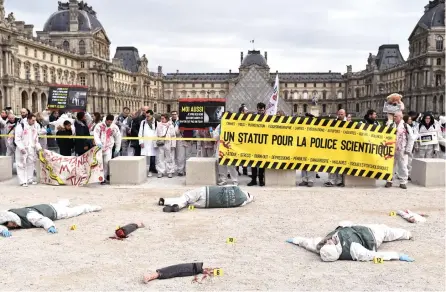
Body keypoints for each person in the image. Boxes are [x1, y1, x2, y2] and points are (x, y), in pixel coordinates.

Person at [286, 221, 414, 262]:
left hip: (352, 228)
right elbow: (375, 256)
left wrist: (296, 240)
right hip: (371, 236)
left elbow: (309, 243)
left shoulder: (321, 247)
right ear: (335, 250)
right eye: (330, 243)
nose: (328, 241)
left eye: (327, 243)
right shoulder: (354, 251)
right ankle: (407, 234)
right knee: (386, 231)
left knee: (344, 222)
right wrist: (398, 256)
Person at [0, 199, 102, 237]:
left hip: (55, 212)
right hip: (45, 206)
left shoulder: (29, 216)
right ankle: (65, 201)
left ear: (13, 220)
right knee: (61, 204)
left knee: (73, 211)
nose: (12, 226)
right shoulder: (9, 215)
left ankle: (90, 207)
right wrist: (2, 230)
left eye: (11, 224)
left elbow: (43, 220)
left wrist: (50, 227)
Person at [158, 185, 254, 212]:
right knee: (187, 202)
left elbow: (224, 186)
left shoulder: (236, 188)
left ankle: (176, 205)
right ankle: (166, 201)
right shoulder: (241, 203)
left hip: (207, 191)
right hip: (208, 204)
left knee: (187, 196)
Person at [385, 111, 414, 189]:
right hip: (391, 149)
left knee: (403, 165)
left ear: (401, 117)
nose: (394, 118)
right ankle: (389, 180)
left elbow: (411, 138)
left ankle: (403, 181)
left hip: (402, 149)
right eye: (394, 116)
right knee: (390, 165)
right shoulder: (390, 125)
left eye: (396, 116)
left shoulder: (406, 126)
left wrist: (408, 149)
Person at [14, 114, 42, 187]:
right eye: (32, 120)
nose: (34, 121)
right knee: (21, 164)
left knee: (31, 163)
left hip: (31, 148)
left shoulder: (35, 127)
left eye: (34, 120)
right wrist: (21, 148)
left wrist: (39, 148)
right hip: (22, 148)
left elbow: (36, 139)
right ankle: (22, 181)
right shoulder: (21, 126)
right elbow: (17, 138)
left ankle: (30, 179)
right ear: (28, 119)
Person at [93, 114, 121, 185]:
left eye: (111, 122)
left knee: (106, 162)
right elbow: (96, 135)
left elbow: (118, 138)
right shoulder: (99, 126)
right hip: (99, 148)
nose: (109, 123)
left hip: (108, 147)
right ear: (106, 120)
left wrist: (117, 148)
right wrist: (98, 143)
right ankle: (98, 177)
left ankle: (104, 178)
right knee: (99, 163)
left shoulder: (114, 127)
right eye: (108, 122)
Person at [325, 109, 347, 187]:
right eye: (339, 114)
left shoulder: (348, 123)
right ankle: (331, 180)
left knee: (341, 164)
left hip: (343, 146)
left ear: (345, 114)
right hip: (334, 145)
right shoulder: (333, 122)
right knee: (331, 163)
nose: (340, 115)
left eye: (342, 114)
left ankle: (339, 181)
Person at [143, 262, 217, 284]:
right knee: (178, 269)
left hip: (196, 268)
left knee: (179, 270)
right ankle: (152, 275)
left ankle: (152, 275)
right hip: (195, 267)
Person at [248, 103, 266, 186]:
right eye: (259, 110)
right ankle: (254, 179)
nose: (260, 112)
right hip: (254, 143)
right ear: (257, 109)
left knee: (262, 163)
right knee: (253, 163)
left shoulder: (268, 117)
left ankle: (261, 180)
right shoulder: (253, 117)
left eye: (262, 110)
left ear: (264, 109)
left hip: (263, 143)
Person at [298, 113, 317, 187]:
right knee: (303, 163)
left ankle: (310, 180)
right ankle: (304, 179)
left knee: (311, 163)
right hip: (303, 147)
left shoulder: (315, 127)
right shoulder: (303, 126)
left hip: (311, 147)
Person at [155, 113, 176, 178]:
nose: (161, 120)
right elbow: (156, 134)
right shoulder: (158, 125)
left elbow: (173, 136)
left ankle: (170, 171)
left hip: (168, 143)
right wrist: (155, 143)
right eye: (161, 118)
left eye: (163, 118)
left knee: (169, 157)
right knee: (160, 158)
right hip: (161, 143)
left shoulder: (170, 126)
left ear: (166, 119)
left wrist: (173, 145)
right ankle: (160, 171)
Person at [139, 110, 158, 177]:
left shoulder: (156, 122)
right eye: (146, 116)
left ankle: (151, 170)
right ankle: (142, 170)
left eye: (148, 116)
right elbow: (140, 132)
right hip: (145, 142)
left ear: (152, 115)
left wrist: (156, 142)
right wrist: (141, 141)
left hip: (153, 142)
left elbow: (157, 132)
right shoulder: (143, 122)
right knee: (144, 157)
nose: (147, 117)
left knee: (152, 157)